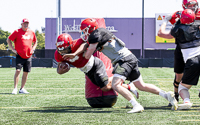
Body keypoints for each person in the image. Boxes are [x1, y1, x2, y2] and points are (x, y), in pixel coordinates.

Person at [79, 18, 178, 113]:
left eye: (85, 30)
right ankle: (166, 95)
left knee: (115, 85)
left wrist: (79, 54)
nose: (84, 33)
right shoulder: (101, 32)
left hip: (124, 60)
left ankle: (136, 105)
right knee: (141, 86)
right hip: (130, 57)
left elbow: (87, 56)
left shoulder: (95, 35)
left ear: (91, 28)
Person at [55, 33, 139, 97]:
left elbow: (85, 44)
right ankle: (128, 86)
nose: (63, 53)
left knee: (104, 87)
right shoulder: (58, 54)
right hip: (87, 71)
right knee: (105, 85)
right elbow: (59, 70)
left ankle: (119, 76)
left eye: (66, 50)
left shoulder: (77, 43)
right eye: (61, 51)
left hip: (95, 64)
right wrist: (62, 69)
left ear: (71, 44)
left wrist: (75, 53)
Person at [158, 0, 200, 105]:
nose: (192, 7)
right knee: (179, 74)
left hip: (194, 47)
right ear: (184, 6)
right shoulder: (178, 15)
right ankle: (176, 96)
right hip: (183, 47)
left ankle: (185, 97)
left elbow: (161, 33)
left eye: (193, 5)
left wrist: (165, 21)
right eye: (189, 5)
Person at [7, 18, 37, 94]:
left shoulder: (31, 32)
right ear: (21, 24)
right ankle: (15, 88)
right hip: (19, 55)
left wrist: (33, 49)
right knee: (18, 71)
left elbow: (35, 41)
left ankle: (22, 88)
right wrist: (13, 49)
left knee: (26, 72)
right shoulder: (17, 32)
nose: (26, 24)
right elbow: (9, 39)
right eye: (24, 23)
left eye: (27, 23)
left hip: (28, 55)